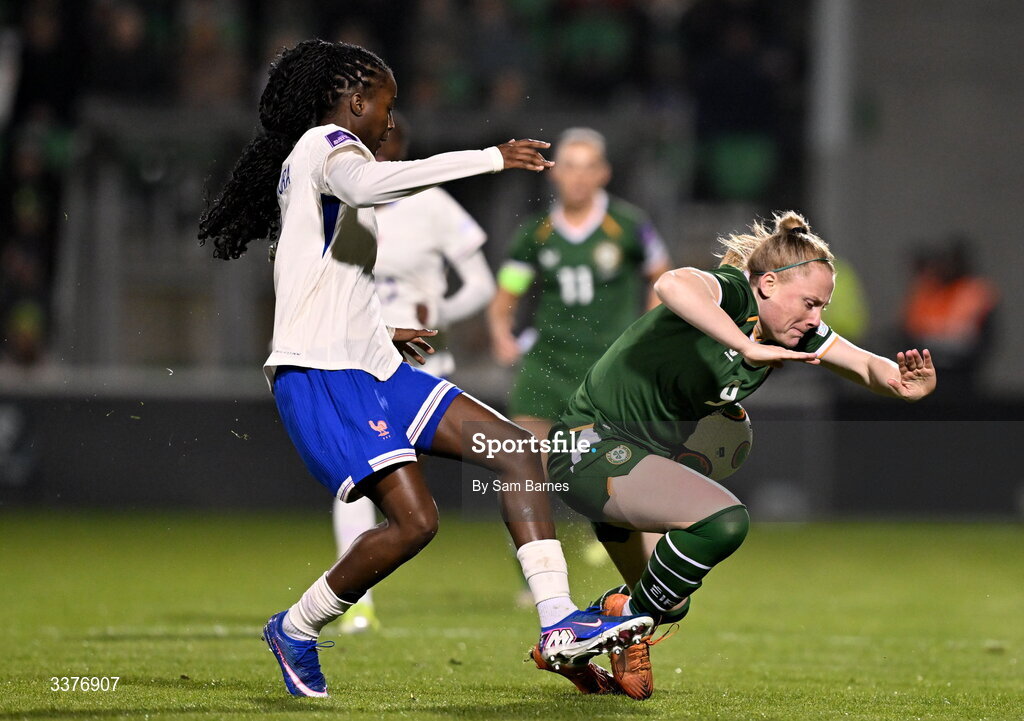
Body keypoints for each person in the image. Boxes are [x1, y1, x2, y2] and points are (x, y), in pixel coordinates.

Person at [197, 39, 651, 699]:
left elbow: (316, 280)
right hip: (326, 376)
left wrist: (381, 328)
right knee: (416, 523)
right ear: (355, 101)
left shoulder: (317, 166)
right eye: (385, 104)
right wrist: (490, 157)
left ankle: (558, 622)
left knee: (518, 453)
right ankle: (296, 627)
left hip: (372, 363)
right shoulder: (326, 146)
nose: (389, 121)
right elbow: (366, 180)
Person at [546, 211, 936, 699]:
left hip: (632, 459)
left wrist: (902, 385)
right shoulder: (734, 293)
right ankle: (604, 627)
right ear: (768, 283)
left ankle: (587, 631)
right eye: (811, 303)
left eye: (823, 307)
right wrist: (741, 346)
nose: (816, 317)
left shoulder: (791, 331)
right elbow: (673, 283)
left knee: (670, 599)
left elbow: (862, 363)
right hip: (588, 446)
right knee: (724, 521)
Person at [331, 114, 497, 634]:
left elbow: (482, 285)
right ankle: (356, 603)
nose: (380, 152)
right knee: (356, 481)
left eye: (389, 142)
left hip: (425, 364)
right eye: (371, 144)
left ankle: (539, 576)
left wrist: (438, 313)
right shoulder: (337, 206)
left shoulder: (431, 202)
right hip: (359, 365)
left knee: (508, 456)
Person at [488, 126, 672, 455]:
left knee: (607, 468)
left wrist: (647, 334)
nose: (579, 177)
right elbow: (507, 296)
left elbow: (662, 279)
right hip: (547, 360)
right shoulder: (536, 233)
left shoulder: (628, 225)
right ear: (554, 172)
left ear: (604, 173)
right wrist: (502, 334)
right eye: (570, 166)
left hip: (607, 360)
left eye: (589, 167)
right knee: (526, 462)